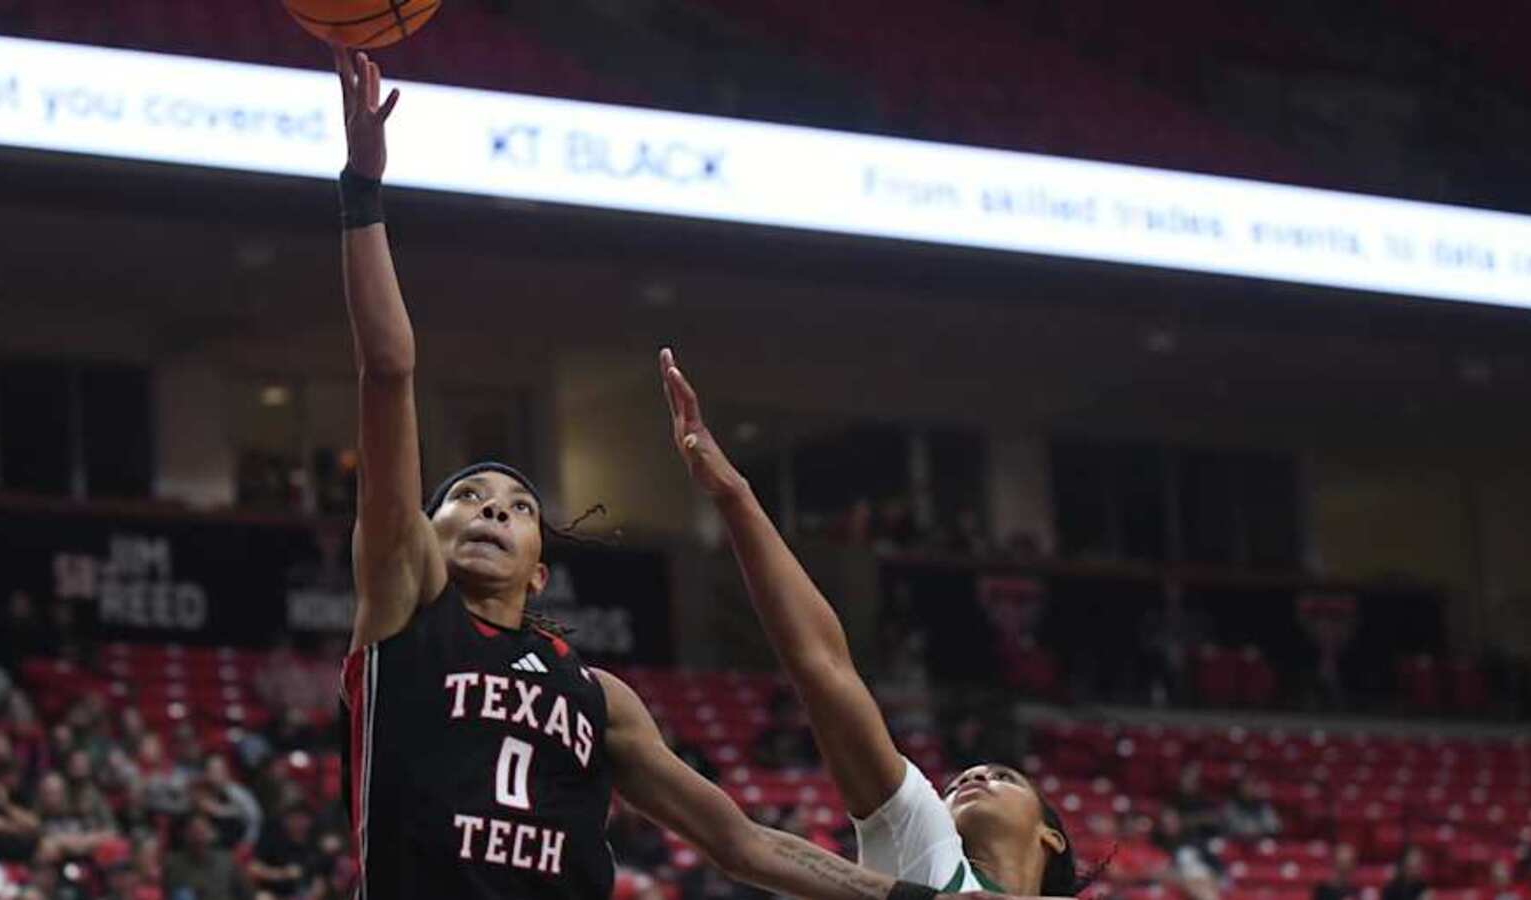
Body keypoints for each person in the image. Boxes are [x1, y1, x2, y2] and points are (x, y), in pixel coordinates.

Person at [328, 48, 1033, 900]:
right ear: (423, 535)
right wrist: (361, 192)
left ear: (540, 571)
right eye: (467, 497)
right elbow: (388, 371)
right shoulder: (404, 609)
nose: (492, 511)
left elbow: (743, 843)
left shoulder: (599, 697)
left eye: (518, 506)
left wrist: (909, 899)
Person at [658, 348, 1093, 895]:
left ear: (1052, 837)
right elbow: (823, 666)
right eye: (959, 782)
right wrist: (735, 495)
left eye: (1003, 778)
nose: (975, 776)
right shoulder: (926, 845)